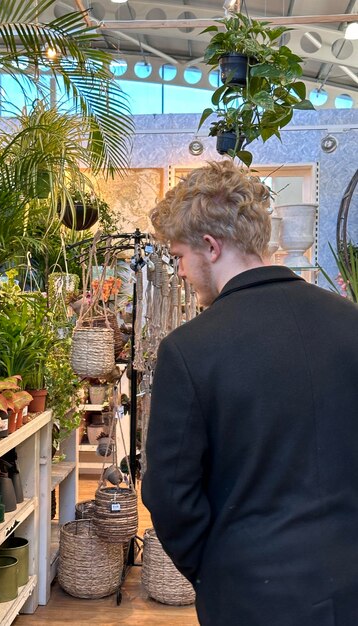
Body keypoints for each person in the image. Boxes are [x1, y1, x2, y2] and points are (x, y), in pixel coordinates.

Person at [141, 159, 358, 626]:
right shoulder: (351, 324)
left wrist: (216, 567)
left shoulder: (189, 350)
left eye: (179, 257)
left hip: (250, 594)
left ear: (211, 247)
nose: (179, 272)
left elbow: (169, 493)